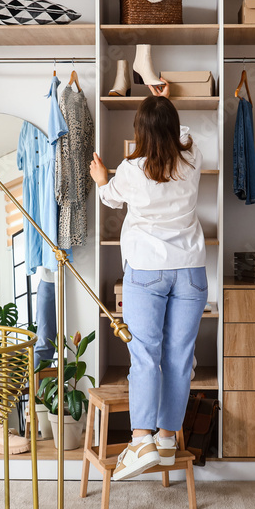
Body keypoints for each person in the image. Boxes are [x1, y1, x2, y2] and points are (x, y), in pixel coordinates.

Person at [89, 80, 207, 480]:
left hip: (146, 270)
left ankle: (141, 440)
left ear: (139, 134)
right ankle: (168, 438)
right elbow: (186, 135)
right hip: (190, 271)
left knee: (145, 355)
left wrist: (101, 176)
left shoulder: (130, 171)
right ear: (173, 130)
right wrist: (164, 100)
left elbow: (109, 198)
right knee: (179, 358)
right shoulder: (191, 162)